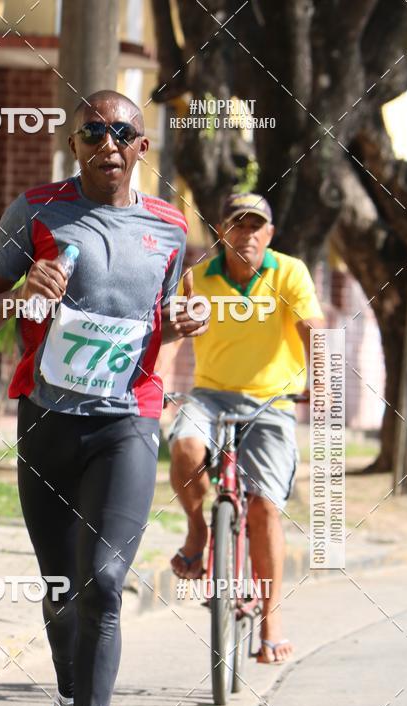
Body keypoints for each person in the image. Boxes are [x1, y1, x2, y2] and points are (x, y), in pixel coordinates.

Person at [0, 90, 200, 706]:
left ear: (141, 147)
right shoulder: (37, 212)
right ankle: (67, 702)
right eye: (92, 131)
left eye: (121, 132)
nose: (107, 143)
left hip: (128, 421)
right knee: (62, 587)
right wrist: (20, 295)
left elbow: (169, 320)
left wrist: (186, 320)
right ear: (75, 145)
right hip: (48, 424)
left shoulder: (169, 228)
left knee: (103, 581)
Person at [168, 192, 325, 664]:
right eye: (238, 224)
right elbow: (172, 336)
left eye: (256, 226)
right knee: (185, 447)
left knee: (264, 507)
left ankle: (272, 618)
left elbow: (313, 329)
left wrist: (322, 381)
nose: (247, 234)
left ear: (269, 234)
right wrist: (154, 387)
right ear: (222, 231)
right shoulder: (198, 277)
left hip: (273, 400)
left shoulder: (289, 272)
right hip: (210, 395)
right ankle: (198, 532)